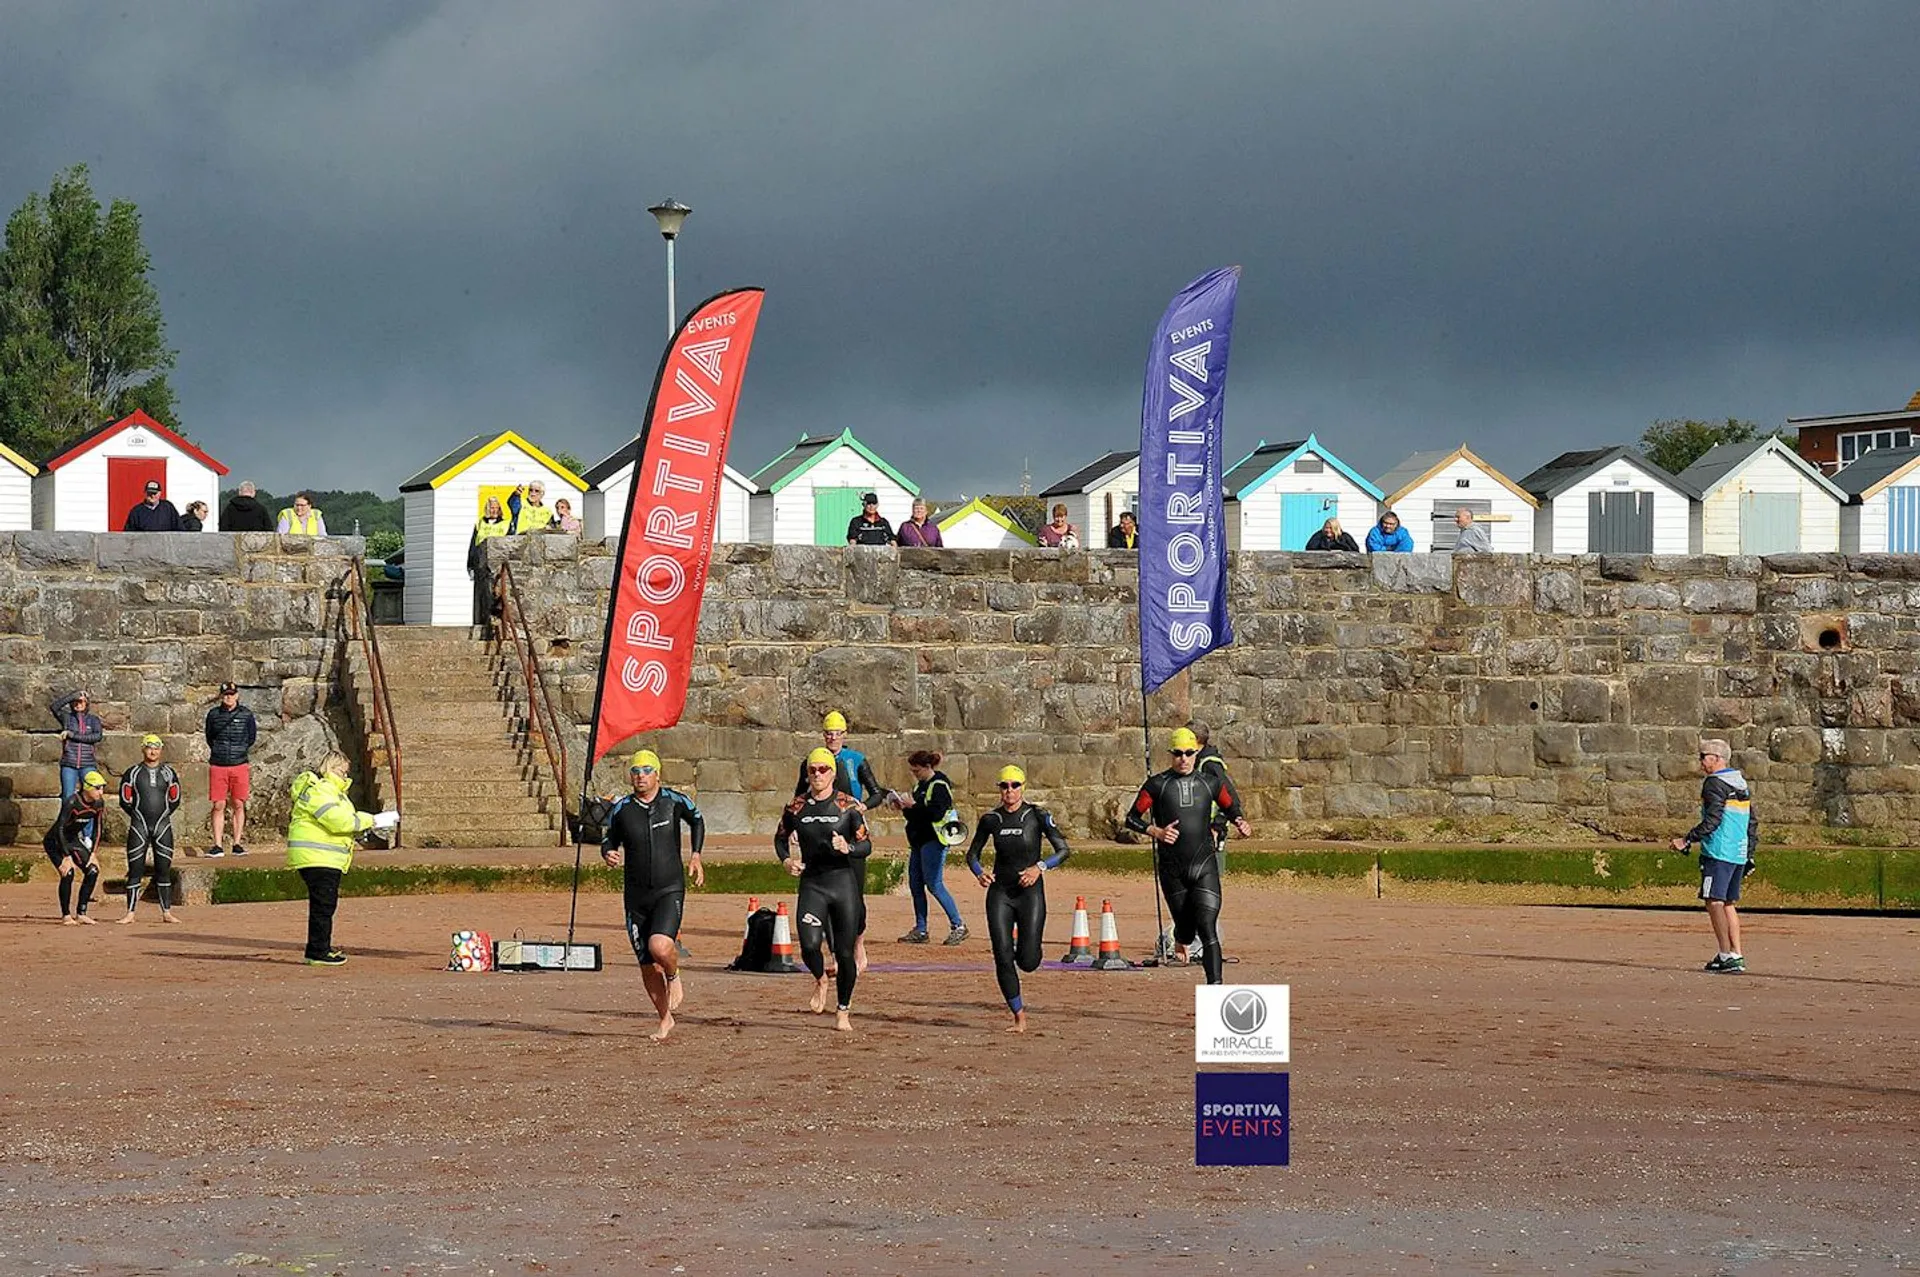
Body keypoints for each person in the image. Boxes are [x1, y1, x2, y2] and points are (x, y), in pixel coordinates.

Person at [1125, 727, 1253, 985]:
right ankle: (1180, 939)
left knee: (1208, 928)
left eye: (1189, 753)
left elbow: (1231, 806)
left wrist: (1239, 821)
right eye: (1178, 754)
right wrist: (1156, 832)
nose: (1184, 759)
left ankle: (1215, 990)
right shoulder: (1157, 785)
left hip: (1204, 865)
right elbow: (1131, 818)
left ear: (1196, 753)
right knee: (1185, 930)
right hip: (1173, 870)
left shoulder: (1210, 783)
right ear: (1171, 755)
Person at [600, 749, 705, 1042]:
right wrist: (608, 852)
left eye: (646, 770)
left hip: (668, 888)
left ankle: (674, 975)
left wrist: (695, 856)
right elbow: (610, 838)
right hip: (636, 896)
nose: (640, 776)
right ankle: (664, 1019)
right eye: (635, 771)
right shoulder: (622, 809)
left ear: (657, 773)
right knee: (646, 963)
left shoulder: (673, 801)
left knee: (660, 947)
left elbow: (697, 820)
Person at [775, 747, 873, 1031]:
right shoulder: (796, 807)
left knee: (844, 954)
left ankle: (843, 1010)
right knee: (808, 945)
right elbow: (780, 839)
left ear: (833, 773)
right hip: (813, 884)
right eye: (812, 770)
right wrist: (786, 861)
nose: (817, 775)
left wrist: (848, 847)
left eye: (823, 770)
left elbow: (866, 845)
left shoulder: (849, 806)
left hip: (842, 885)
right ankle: (820, 978)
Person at [966, 764, 1070, 1033]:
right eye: (1004, 786)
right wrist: (980, 873)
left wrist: (1040, 868)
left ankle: (1024, 950)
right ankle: (1018, 1015)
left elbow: (1063, 850)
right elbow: (972, 854)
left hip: (1029, 893)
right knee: (1001, 955)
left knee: (1028, 961)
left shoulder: (1037, 815)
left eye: (1014, 786)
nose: (1009, 791)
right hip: (1000, 892)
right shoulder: (991, 819)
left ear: (1023, 787)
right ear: (999, 789)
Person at [791, 710, 889, 973]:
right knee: (825, 894)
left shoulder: (855, 760)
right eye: (828, 733)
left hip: (850, 830)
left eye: (837, 733)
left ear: (845, 735)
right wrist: (794, 826)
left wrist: (862, 808)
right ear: (823, 735)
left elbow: (877, 792)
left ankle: (858, 942)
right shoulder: (812, 762)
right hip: (820, 832)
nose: (832, 737)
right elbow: (799, 795)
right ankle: (835, 954)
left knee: (854, 895)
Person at [286, 752, 397, 965]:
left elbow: (342, 822)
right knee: (323, 905)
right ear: (330, 768)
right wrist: (372, 820)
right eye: (342, 770)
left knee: (324, 905)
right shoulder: (322, 791)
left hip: (322, 856)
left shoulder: (331, 792)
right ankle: (318, 951)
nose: (345, 775)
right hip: (319, 857)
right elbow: (340, 822)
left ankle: (320, 948)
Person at [1670, 738, 1758, 974]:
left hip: (1719, 851)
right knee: (1728, 903)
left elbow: (1713, 820)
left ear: (1717, 759)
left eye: (1703, 757)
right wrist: (1749, 853)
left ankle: (1726, 953)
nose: (1700, 762)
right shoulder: (1740, 783)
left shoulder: (1714, 783)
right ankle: (1734, 954)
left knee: (1714, 901)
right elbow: (1752, 821)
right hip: (1737, 851)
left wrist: (1687, 839)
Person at [894, 750, 968, 945]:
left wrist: (913, 806)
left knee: (934, 884)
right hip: (918, 841)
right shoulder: (921, 785)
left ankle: (958, 925)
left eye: (917, 771)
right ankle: (921, 929)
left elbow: (935, 813)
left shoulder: (939, 786)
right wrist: (904, 807)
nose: (914, 774)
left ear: (927, 768)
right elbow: (916, 815)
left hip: (934, 840)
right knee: (916, 885)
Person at [118, 734, 182, 925]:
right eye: (149, 747)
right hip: (139, 825)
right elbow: (125, 799)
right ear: (143, 749)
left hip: (162, 825)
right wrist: (137, 816)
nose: (152, 751)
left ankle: (166, 912)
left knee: (163, 870)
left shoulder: (169, 773)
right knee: (135, 869)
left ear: (161, 750)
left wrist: (164, 815)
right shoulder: (133, 772)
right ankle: (130, 913)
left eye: (156, 748)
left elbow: (175, 798)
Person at [43, 770, 107, 925]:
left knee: (92, 870)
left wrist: (93, 853)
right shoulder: (72, 802)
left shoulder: (99, 803)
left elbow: (98, 828)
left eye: (102, 788)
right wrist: (65, 856)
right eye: (97, 788)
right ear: (87, 787)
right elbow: (59, 828)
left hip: (72, 840)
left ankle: (82, 912)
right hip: (55, 841)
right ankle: (66, 915)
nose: (101, 792)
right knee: (68, 873)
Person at [204, 682, 257, 857]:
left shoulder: (246, 715)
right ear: (221, 696)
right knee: (218, 804)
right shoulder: (213, 715)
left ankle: (237, 843)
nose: (229, 697)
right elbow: (209, 737)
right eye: (225, 694)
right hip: (219, 764)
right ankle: (218, 844)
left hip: (239, 763)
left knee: (238, 803)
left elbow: (251, 737)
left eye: (232, 694)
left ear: (237, 695)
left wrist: (239, 751)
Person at [49, 688, 104, 801]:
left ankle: (90, 819)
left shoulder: (93, 720)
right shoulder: (67, 718)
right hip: (69, 764)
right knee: (67, 797)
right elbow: (54, 707)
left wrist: (72, 735)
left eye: (81, 701)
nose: (78, 704)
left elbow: (97, 736)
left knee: (91, 796)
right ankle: (68, 819)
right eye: (75, 701)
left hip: (88, 764)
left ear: (87, 703)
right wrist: (72, 696)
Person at [468, 496, 511, 631]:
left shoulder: (505, 524)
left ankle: (492, 621)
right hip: (480, 562)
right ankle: (479, 622)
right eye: (491, 507)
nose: (493, 510)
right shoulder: (480, 524)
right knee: (480, 593)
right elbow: (473, 544)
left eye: (496, 508)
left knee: (493, 592)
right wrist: (470, 563)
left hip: (496, 562)